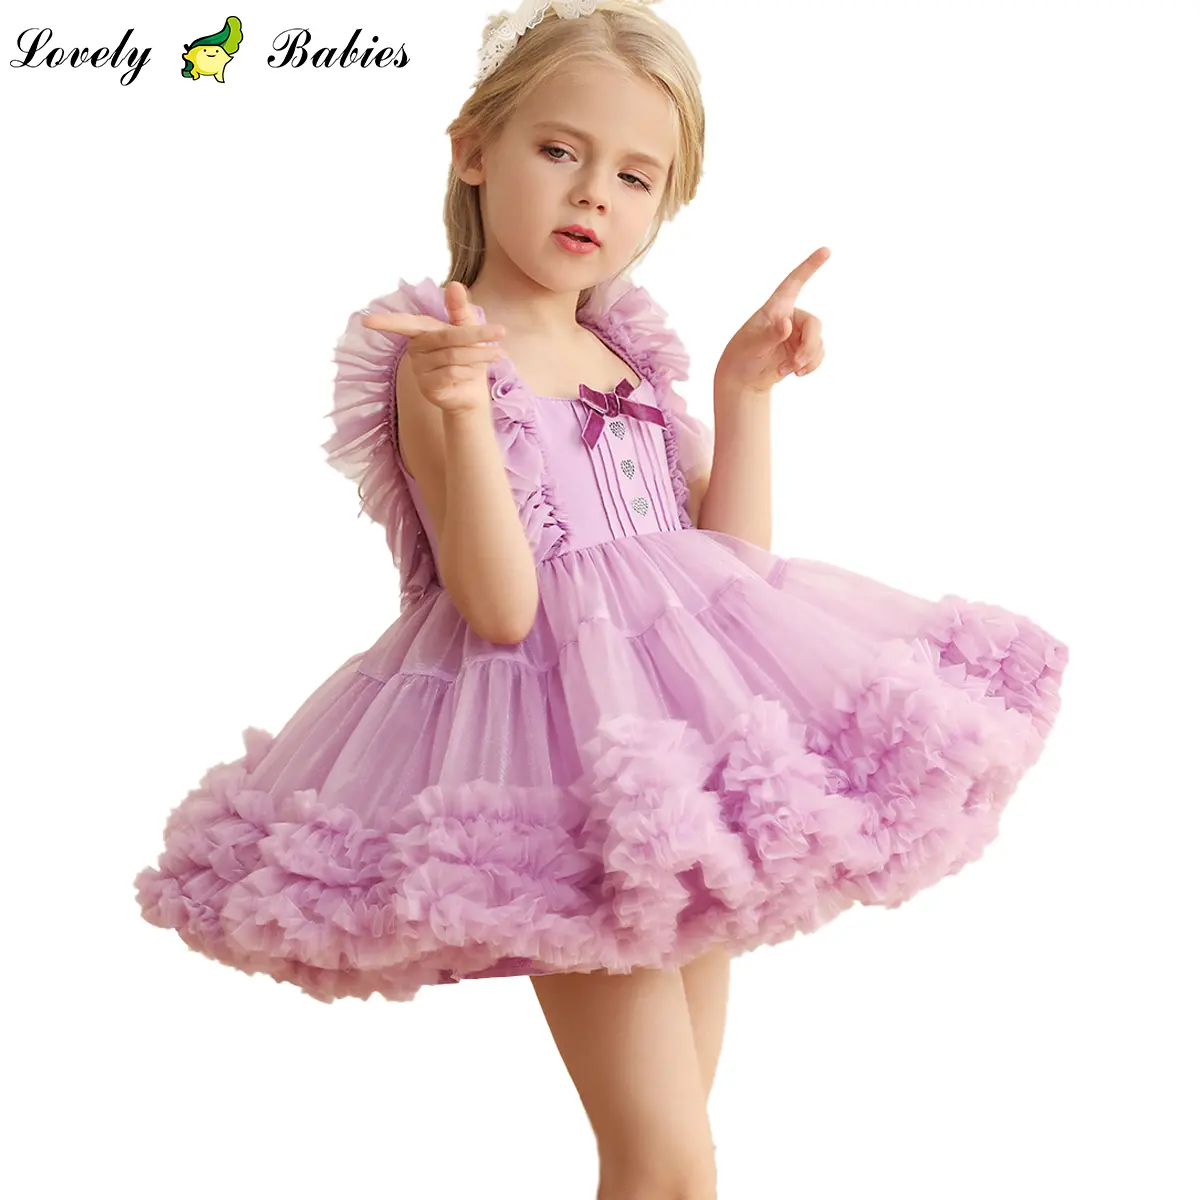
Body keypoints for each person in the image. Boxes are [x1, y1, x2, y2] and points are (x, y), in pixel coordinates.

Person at [133, 2, 1069, 1196]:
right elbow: (500, 607)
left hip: (678, 759)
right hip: (565, 775)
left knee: (680, 1152)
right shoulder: (444, 357)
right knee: (664, 1157)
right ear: (475, 148)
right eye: (559, 150)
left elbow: (728, 571)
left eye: (635, 175)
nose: (593, 195)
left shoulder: (627, 354)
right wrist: (464, 415)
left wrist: (741, 393)